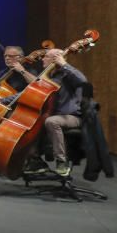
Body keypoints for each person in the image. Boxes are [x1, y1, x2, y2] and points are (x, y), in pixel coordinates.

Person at [37, 48, 89, 176]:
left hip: (74, 117)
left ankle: (61, 161)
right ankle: (35, 159)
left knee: (52, 121)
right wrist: (6, 100)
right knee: (33, 121)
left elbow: (83, 81)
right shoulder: (50, 76)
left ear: (55, 59)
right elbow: (30, 91)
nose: (42, 59)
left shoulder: (67, 74)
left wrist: (64, 64)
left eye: (46, 57)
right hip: (56, 115)